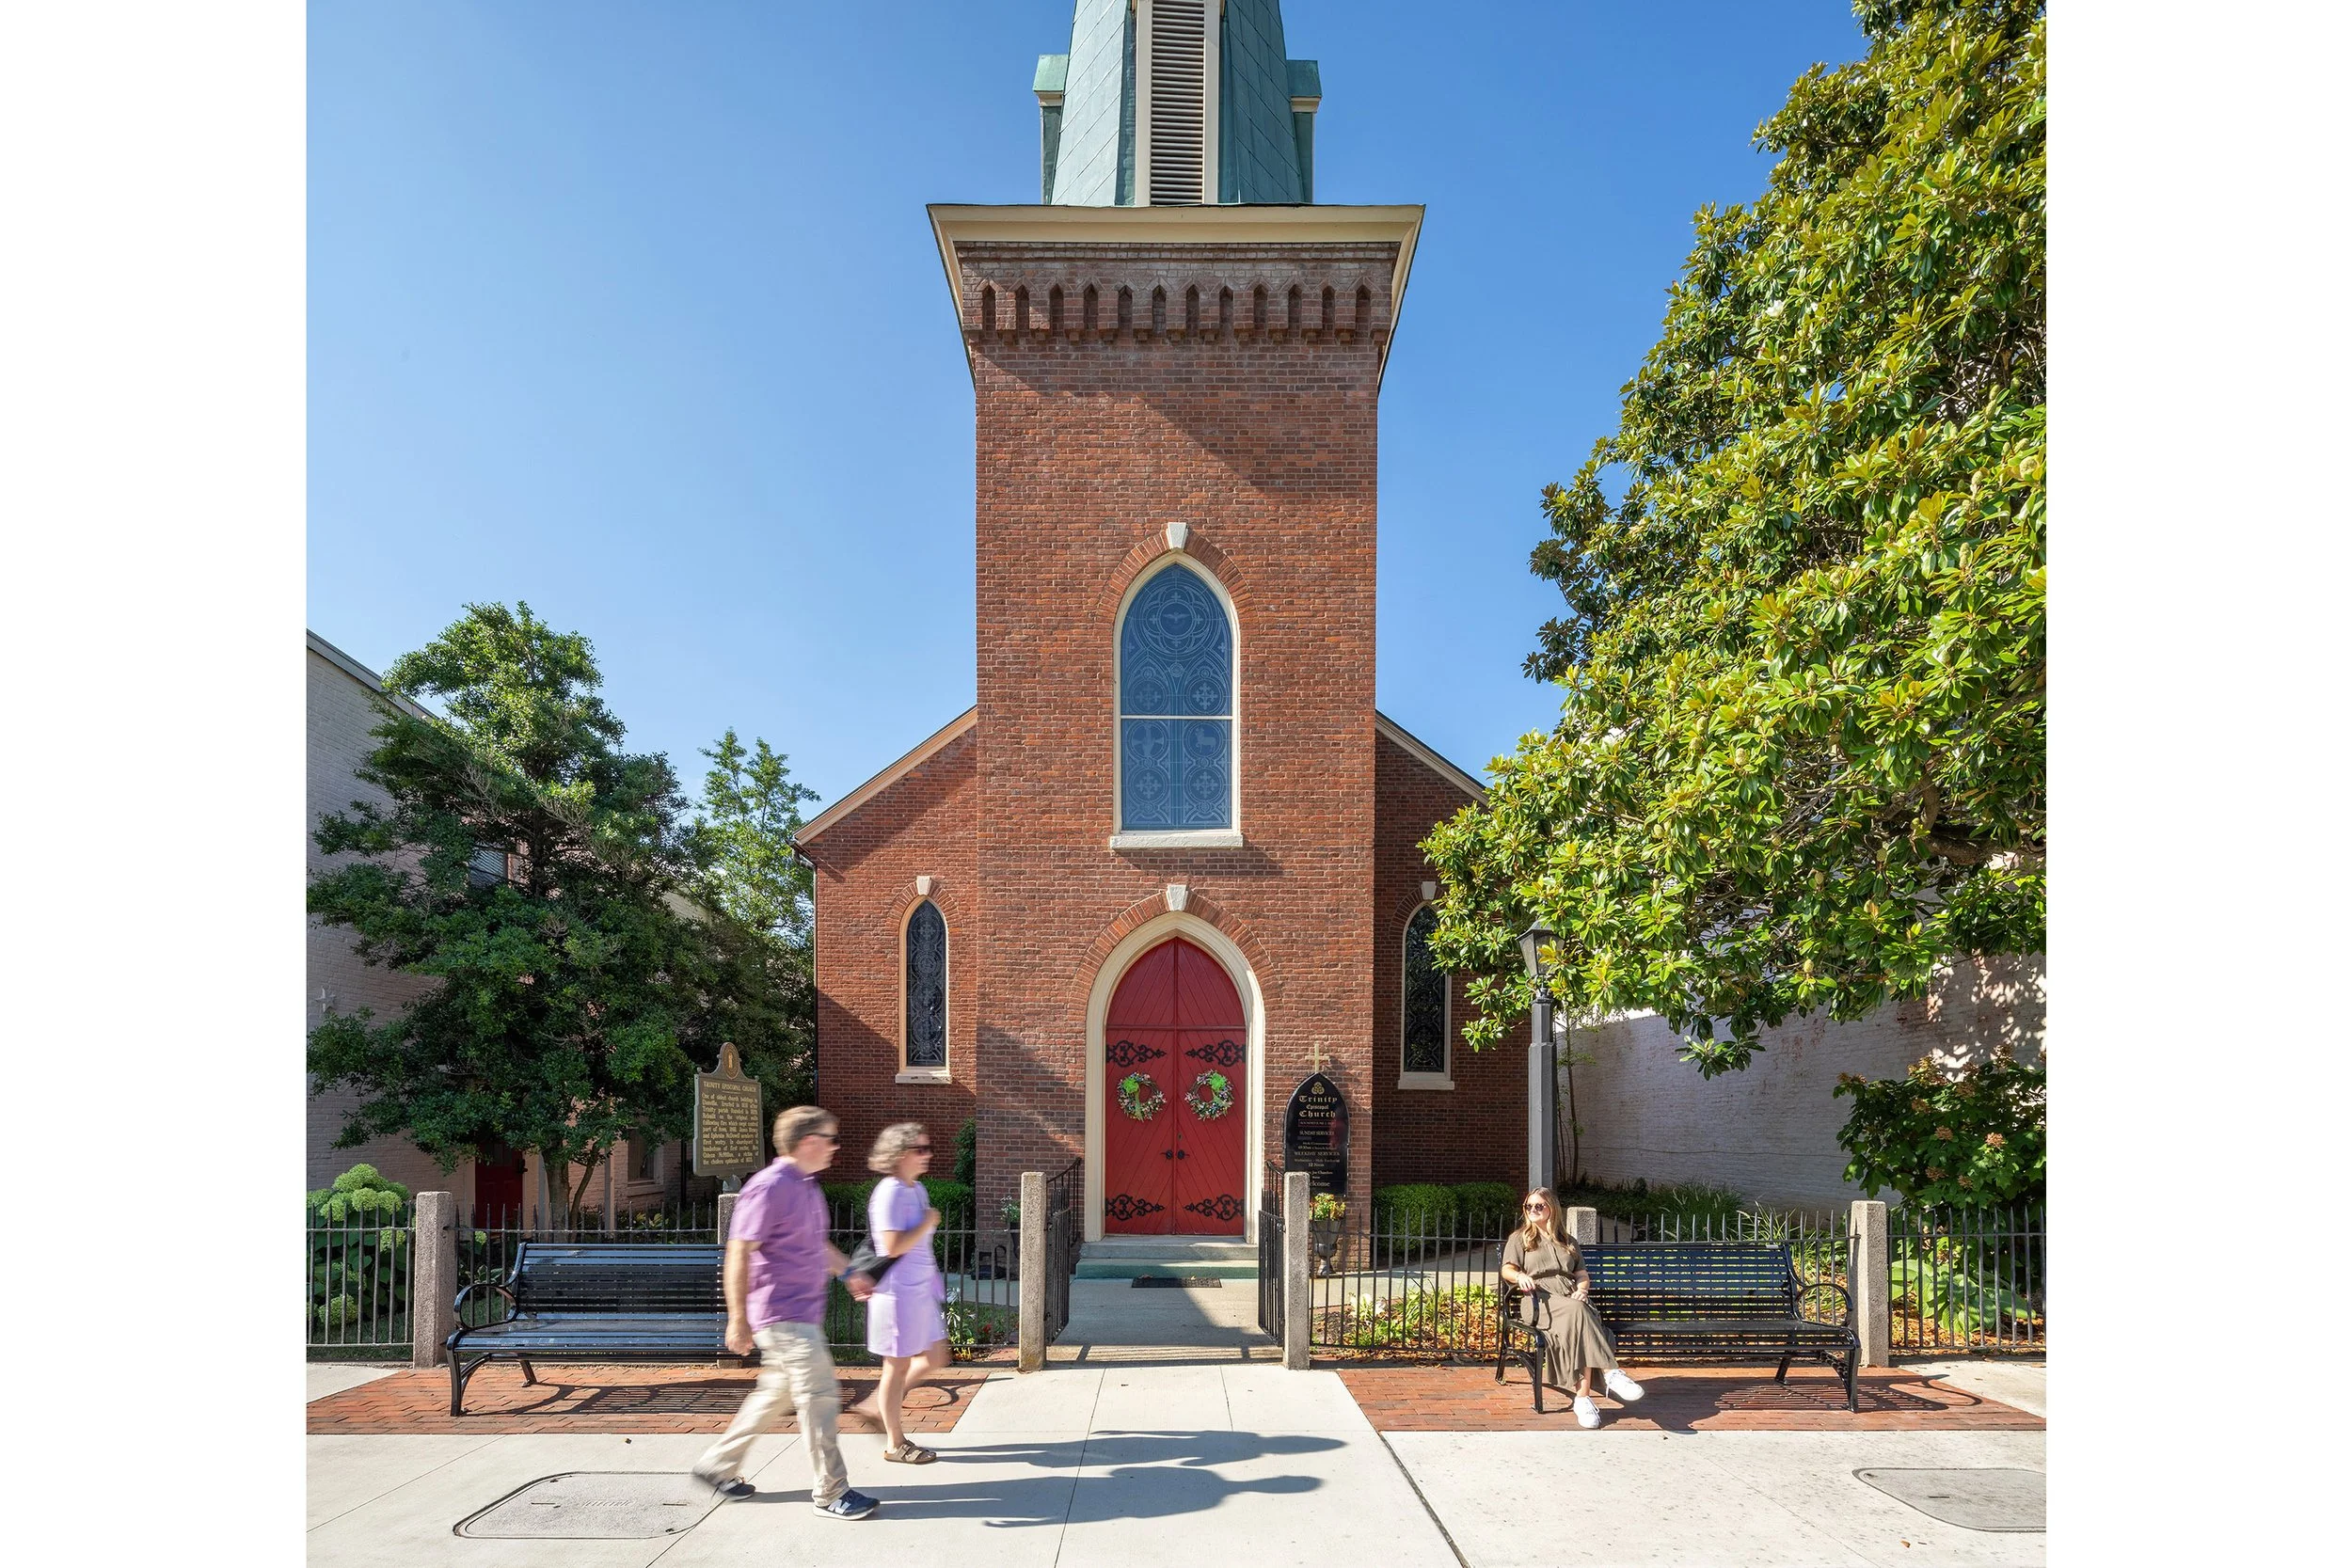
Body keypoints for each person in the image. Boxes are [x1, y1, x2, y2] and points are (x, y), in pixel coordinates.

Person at [691, 1105, 882, 1520]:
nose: (837, 1147)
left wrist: (850, 1272)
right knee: (820, 1395)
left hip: (800, 1312)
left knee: (773, 1395)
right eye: (832, 1139)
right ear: (809, 1142)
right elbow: (739, 1252)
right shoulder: (770, 1186)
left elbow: (813, 1245)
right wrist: (737, 1319)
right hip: (780, 1314)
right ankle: (832, 1491)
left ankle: (717, 1466)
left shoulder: (806, 1185)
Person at [844, 1122, 951, 1463]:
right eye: (920, 1149)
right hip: (897, 1294)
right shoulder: (888, 1192)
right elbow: (890, 1246)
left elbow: (920, 1247)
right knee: (897, 1365)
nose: (927, 1155)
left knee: (936, 1357)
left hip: (920, 1290)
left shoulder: (916, 1189)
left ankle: (876, 1406)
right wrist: (926, 1222)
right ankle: (895, 1442)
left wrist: (934, 1279)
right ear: (901, 1154)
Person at [1499, 1186, 1645, 1429]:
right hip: (1539, 1300)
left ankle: (1583, 1399)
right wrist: (1520, 1276)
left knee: (1580, 1316)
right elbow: (1507, 1269)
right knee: (1580, 1312)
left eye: (1539, 1205)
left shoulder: (1567, 1240)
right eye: (1529, 1206)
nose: (1533, 1210)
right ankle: (1610, 1372)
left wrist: (1582, 1289)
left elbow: (1581, 1274)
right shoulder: (1520, 1238)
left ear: (1551, 1208)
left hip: (1570, 1298)